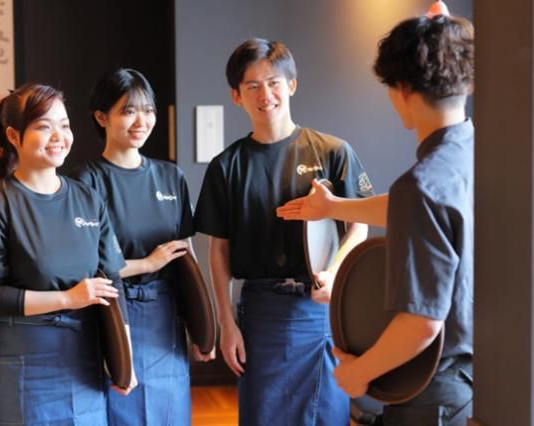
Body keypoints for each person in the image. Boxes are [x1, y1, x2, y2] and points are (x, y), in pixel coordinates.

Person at [277, 11, 474, 426]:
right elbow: (413, 207)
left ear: (402, 90)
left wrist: (358, 374)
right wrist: (333, 207)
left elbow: (422, 322)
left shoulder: (422, 185)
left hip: (434, 392)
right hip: (486, 382)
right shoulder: (479, 156)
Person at [194, 38, 373, 425]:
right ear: (237, 96)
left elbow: (358, 226)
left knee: (327, 415)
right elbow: (218, 250)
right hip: (261, 312)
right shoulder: (226, 167)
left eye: (273, 82)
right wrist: (226, 324)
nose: (265, 95)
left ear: (291, 85)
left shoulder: (332, 151)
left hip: (320, 308)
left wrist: (335, 272)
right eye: (252, 86)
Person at [0, 83, 127, 425]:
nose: (58, 136)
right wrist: (67, 299)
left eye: (64, 125)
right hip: (23, 360)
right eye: (43, 126)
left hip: (84, 357)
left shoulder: (88, 199)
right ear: (14, 136)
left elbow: (112, 280)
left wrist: (124, 359)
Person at [70, 68, 214, 426]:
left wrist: (203, 325)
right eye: (128, 111)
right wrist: (147, 264)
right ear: (101, 117)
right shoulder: (86, 181)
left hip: (166, 316)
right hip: (113, 314)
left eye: (148, 110)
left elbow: (185, 253)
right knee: (122, 411)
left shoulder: (171, 176)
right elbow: (86, 264)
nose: (141, 121)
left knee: (170, 414)